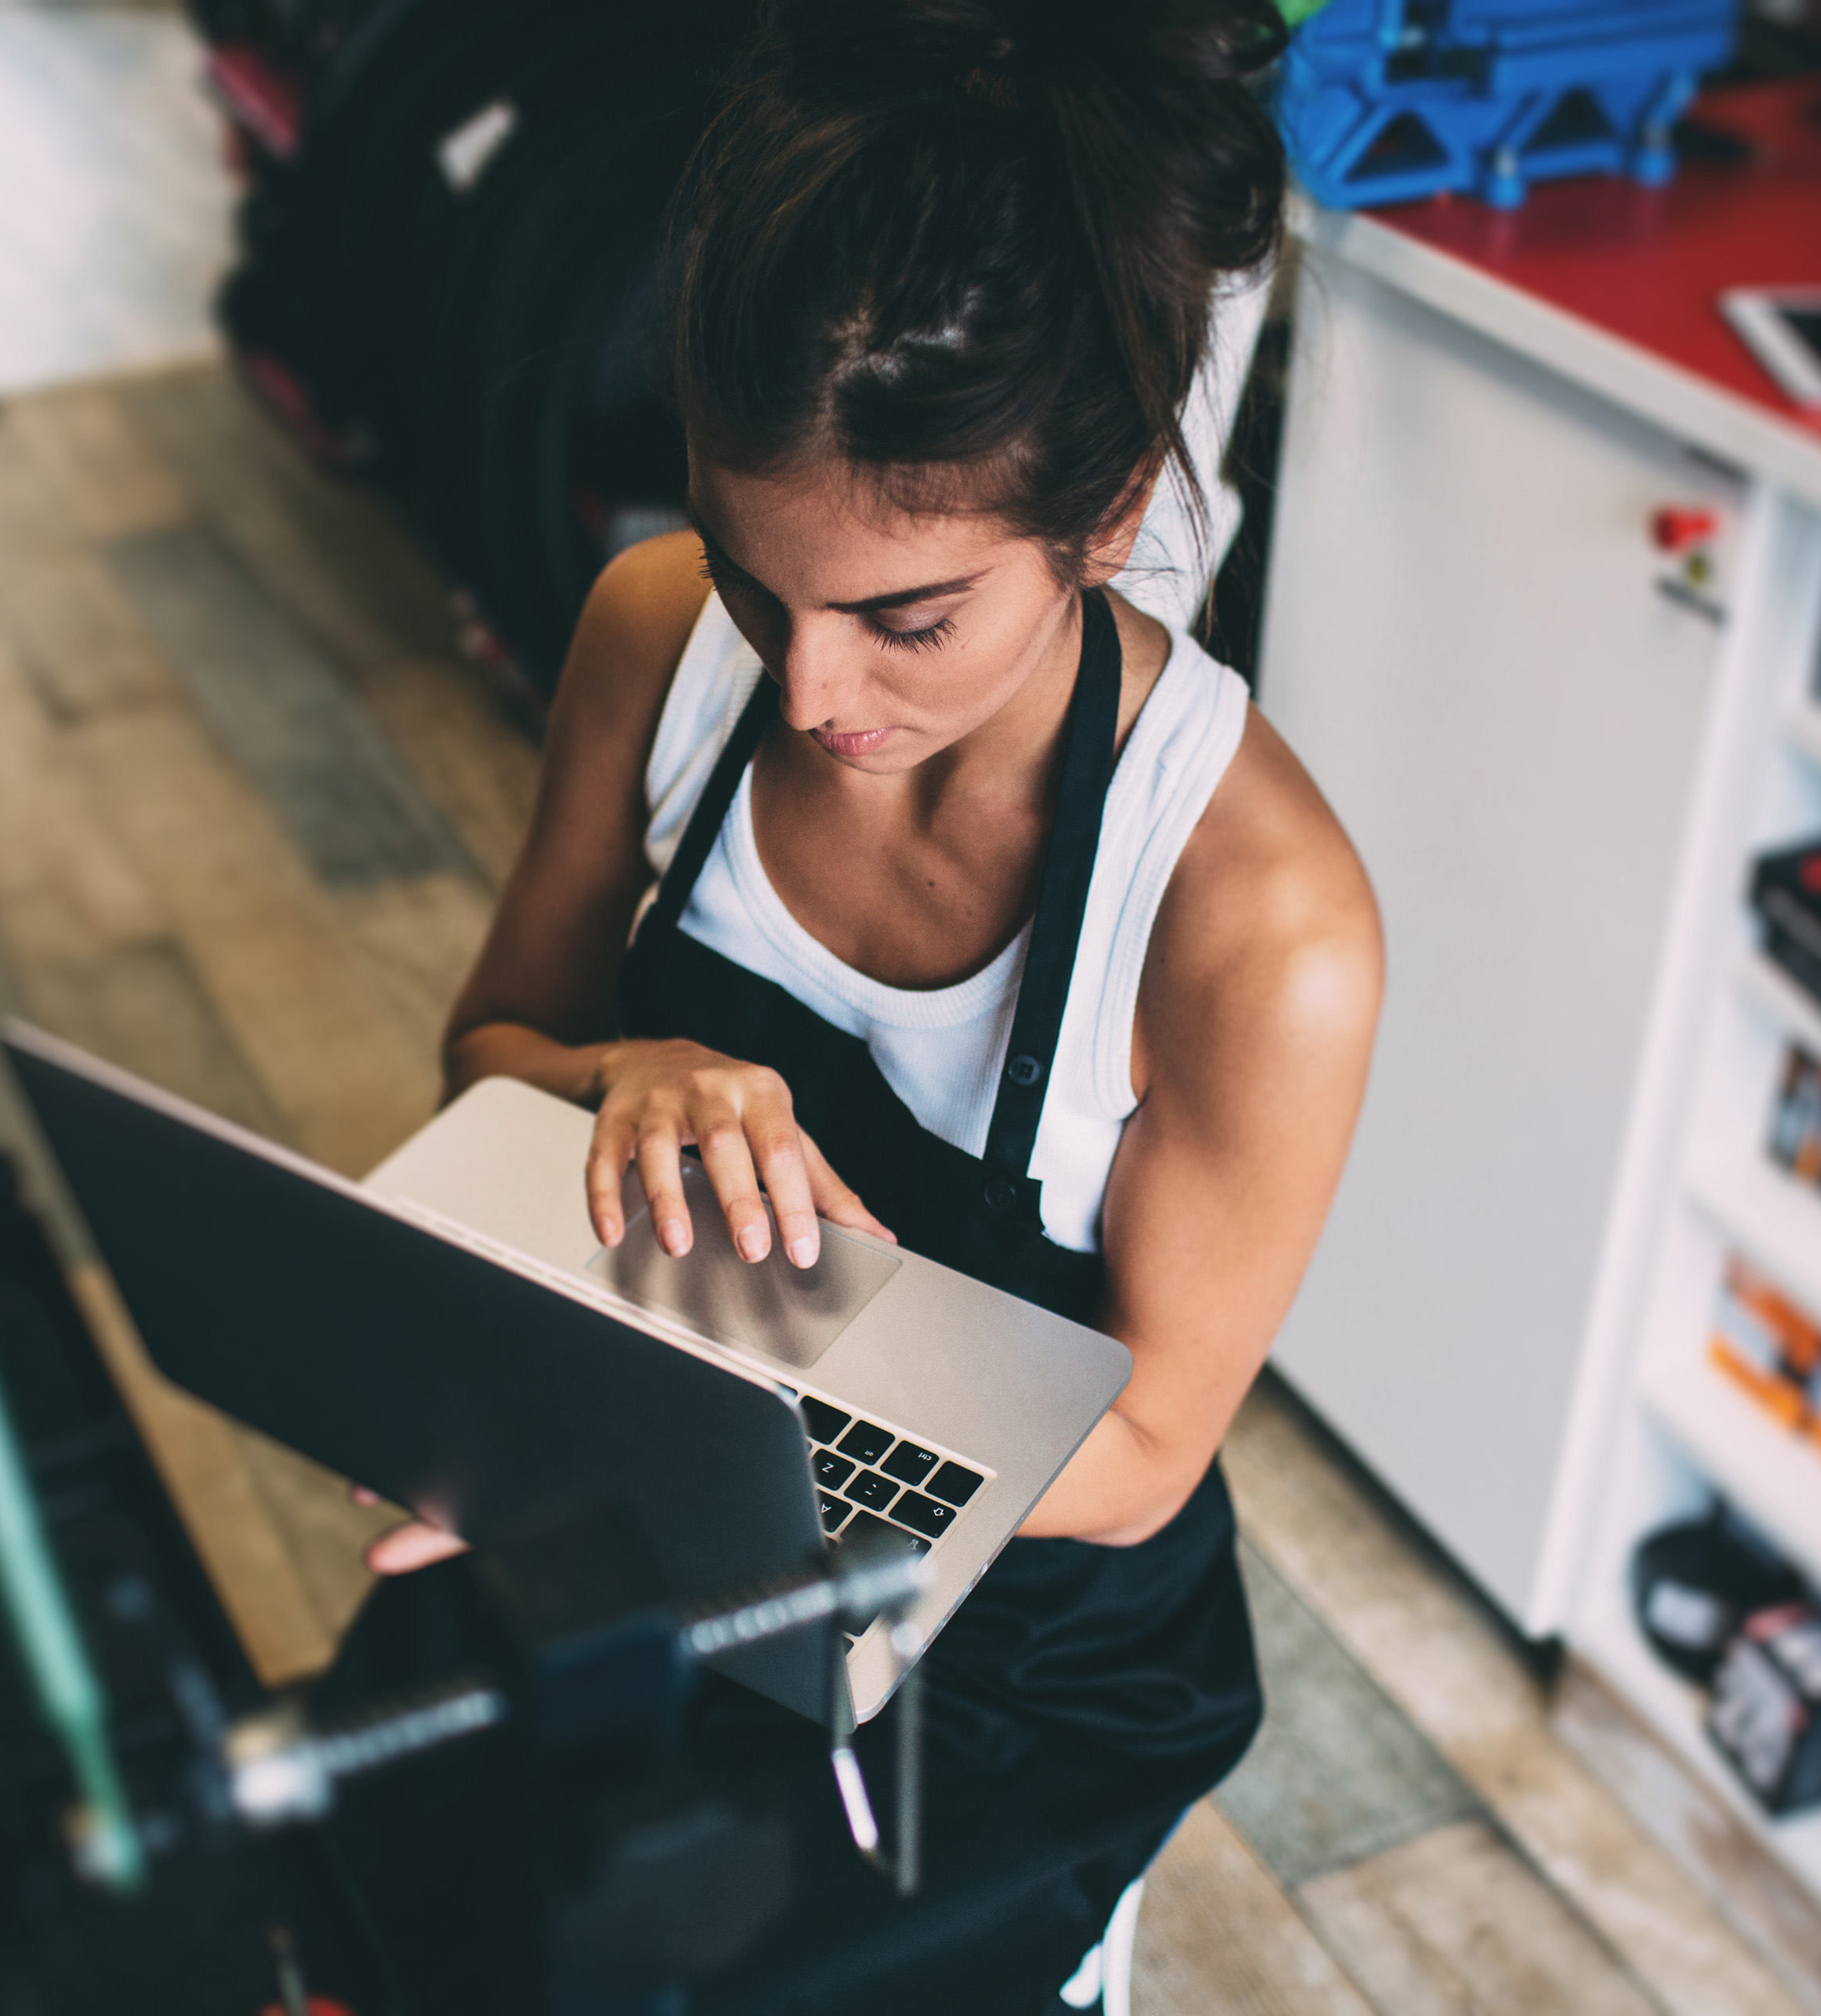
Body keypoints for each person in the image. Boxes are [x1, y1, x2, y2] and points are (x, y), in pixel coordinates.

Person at [328, 0, 1381, 2003]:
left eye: (908, 618)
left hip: (1009, 1655)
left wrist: (709, 1426)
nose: (810, 695)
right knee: (398, 1862)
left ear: (1111, 504)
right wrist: (618, 1074)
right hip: (665, 1478)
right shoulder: (656, 636)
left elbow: (1146, 1445)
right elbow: (488, 1055)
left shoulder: (1253, 921)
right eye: (748, 566)